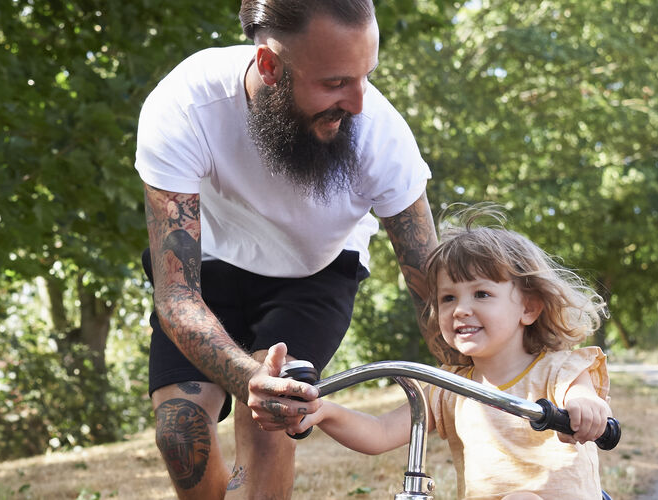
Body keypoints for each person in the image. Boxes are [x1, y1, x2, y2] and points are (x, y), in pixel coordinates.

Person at [135, 0, 463, 497]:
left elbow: (429, 282)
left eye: (366, 76)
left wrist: (479, 380)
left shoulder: (381, 134)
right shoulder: (185, 105)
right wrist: (249, 378)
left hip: (315, 271)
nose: (358, 101)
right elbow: (177, 296)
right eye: (334, 83)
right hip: (209, 267)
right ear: (270, 66)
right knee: (179, 432)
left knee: (271, 424)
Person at [293, 205, 612, 500]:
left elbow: (585, 399)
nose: (460, 310)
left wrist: (585, 408)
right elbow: (380, 433)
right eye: (447, 298)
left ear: (529, 307)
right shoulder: (448, 387)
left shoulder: (560, 371)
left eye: (482, 294)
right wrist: (325, 412)